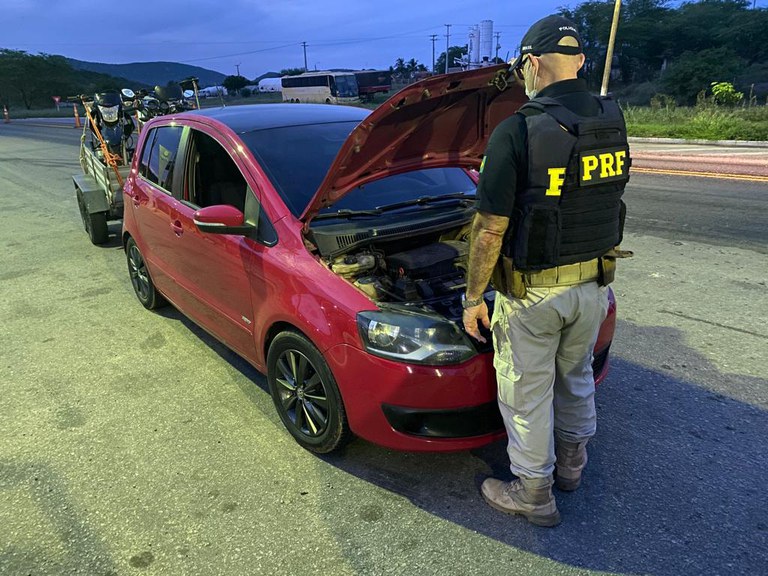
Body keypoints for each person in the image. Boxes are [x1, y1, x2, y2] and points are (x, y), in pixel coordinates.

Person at [462, 14, 630, 527]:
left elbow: (489, 230)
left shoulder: (517, 129)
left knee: (526, 393)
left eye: (522, 71)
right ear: (579, 61)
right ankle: (572, 466)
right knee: (575, 376)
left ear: (532, 64)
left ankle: (533, 493)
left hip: (535, 296)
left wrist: (473, 299)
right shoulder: (613, 118)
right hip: (594, 286)